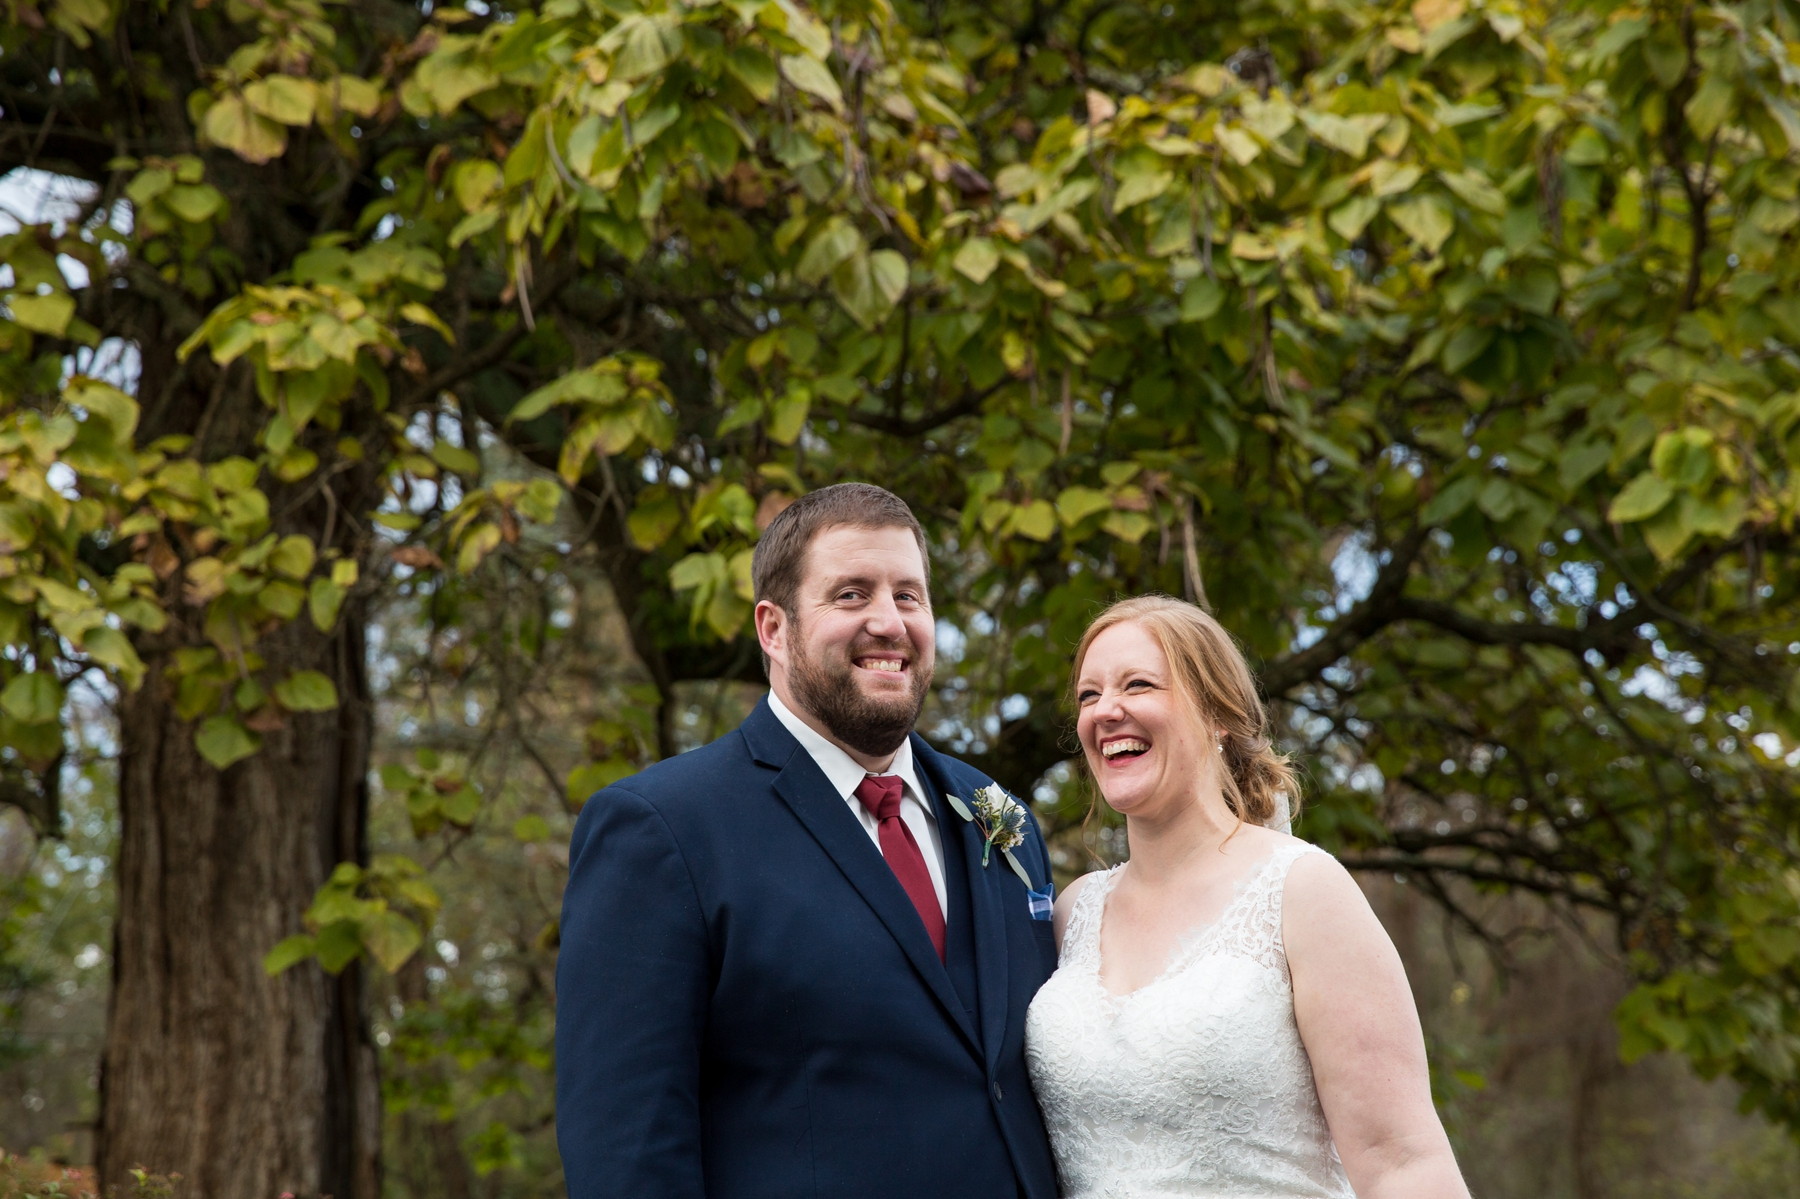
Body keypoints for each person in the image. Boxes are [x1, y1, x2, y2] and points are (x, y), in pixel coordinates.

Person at [555, 482, 1060, 1199]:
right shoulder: (662, 828)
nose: (889, 621)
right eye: (852, 594)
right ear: (773, 627)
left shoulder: (996, 814)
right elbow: (626, 1152)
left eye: (908, 595)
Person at [1025, 595, 1471, 1199]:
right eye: (1089, 694)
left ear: (1218, 714)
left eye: (1139, 685)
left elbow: (1402, 1163)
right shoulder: (1072, 912)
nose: (1107, 711)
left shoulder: (1302, 890)